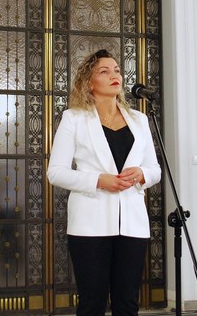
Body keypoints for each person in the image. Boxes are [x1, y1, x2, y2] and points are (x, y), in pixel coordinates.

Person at [47, 49, 161, 316]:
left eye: (117, 70)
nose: (114, 75)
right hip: (90, 224)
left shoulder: (140, 120)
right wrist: (98, 180)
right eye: (104, 71)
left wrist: (141, 174)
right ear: (89, 82)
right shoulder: (74, 118)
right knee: (92, 304)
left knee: (127, 303)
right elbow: (56, 172)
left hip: (132, 223)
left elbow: (154, 169)